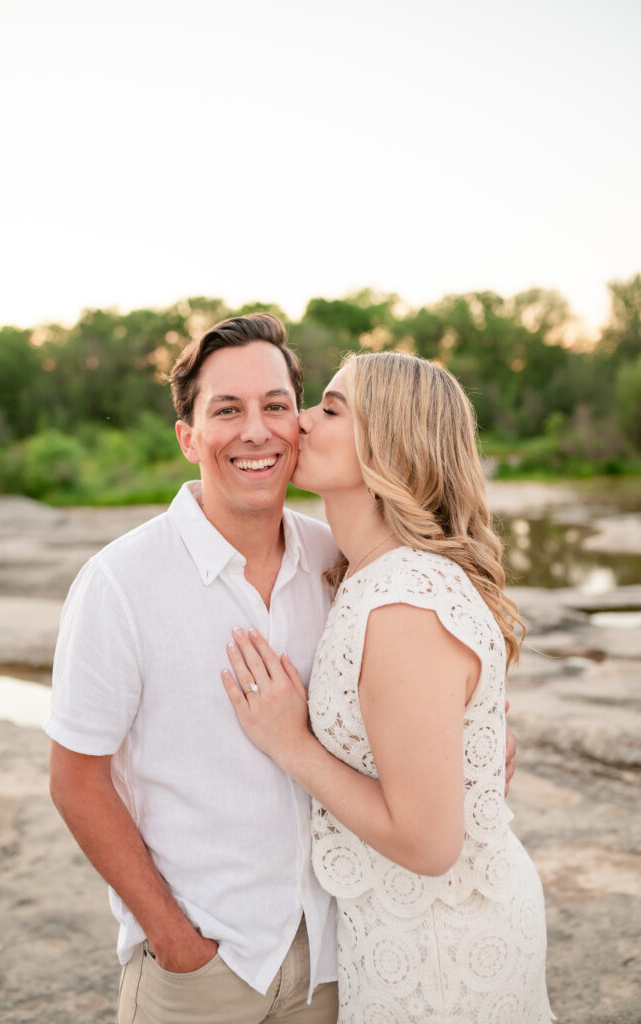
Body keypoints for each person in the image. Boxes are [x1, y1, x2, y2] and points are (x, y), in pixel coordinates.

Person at [45, 314, 516, 1024]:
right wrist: (175, 941)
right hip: (206, 965)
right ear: (188, 437)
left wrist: (476, 742)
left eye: (277, 405)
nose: (257, 430)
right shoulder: (121, 582)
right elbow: (75, 779)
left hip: (337, 959)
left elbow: (435, 662)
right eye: (225, 410)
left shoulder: (342, 564)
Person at [222, 351, 553, 1023]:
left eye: (331, 409)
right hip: (402, 930)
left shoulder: (402, 603)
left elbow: (429, 844)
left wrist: (291, 744)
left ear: (391, 444)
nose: (301, 421)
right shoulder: (367, 576)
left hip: (443, 950)